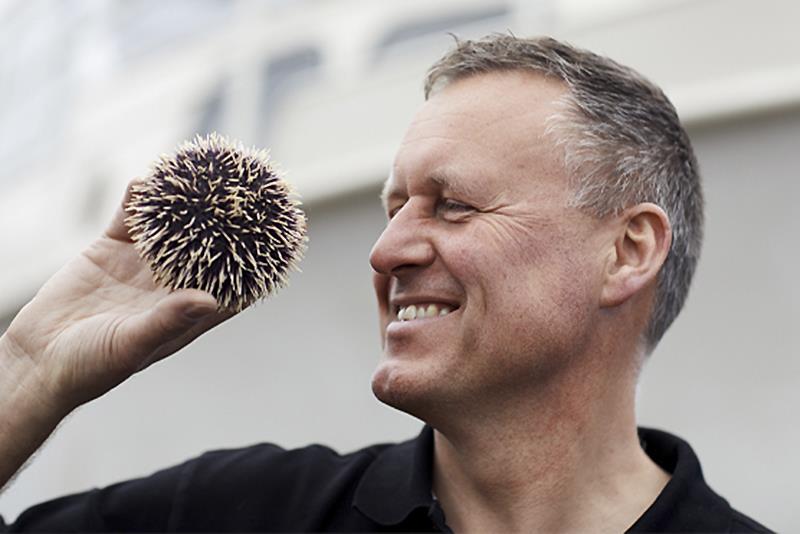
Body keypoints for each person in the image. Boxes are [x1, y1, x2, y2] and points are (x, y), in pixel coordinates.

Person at [0, 35, 770, 532]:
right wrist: (28, 374)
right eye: (393, 208)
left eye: (454, 205)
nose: (386, 250)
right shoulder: (243, 514)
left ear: (628, 251)